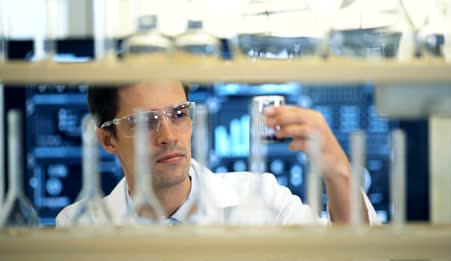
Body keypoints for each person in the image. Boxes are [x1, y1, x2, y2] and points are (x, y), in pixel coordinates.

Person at [56, 81, 380, 226]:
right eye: (144, 122)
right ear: (108, 139)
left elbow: (351, 256)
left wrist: (337, 169)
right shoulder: (79, 226)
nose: (168, 137)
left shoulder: (262, 199)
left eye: (179, 114)